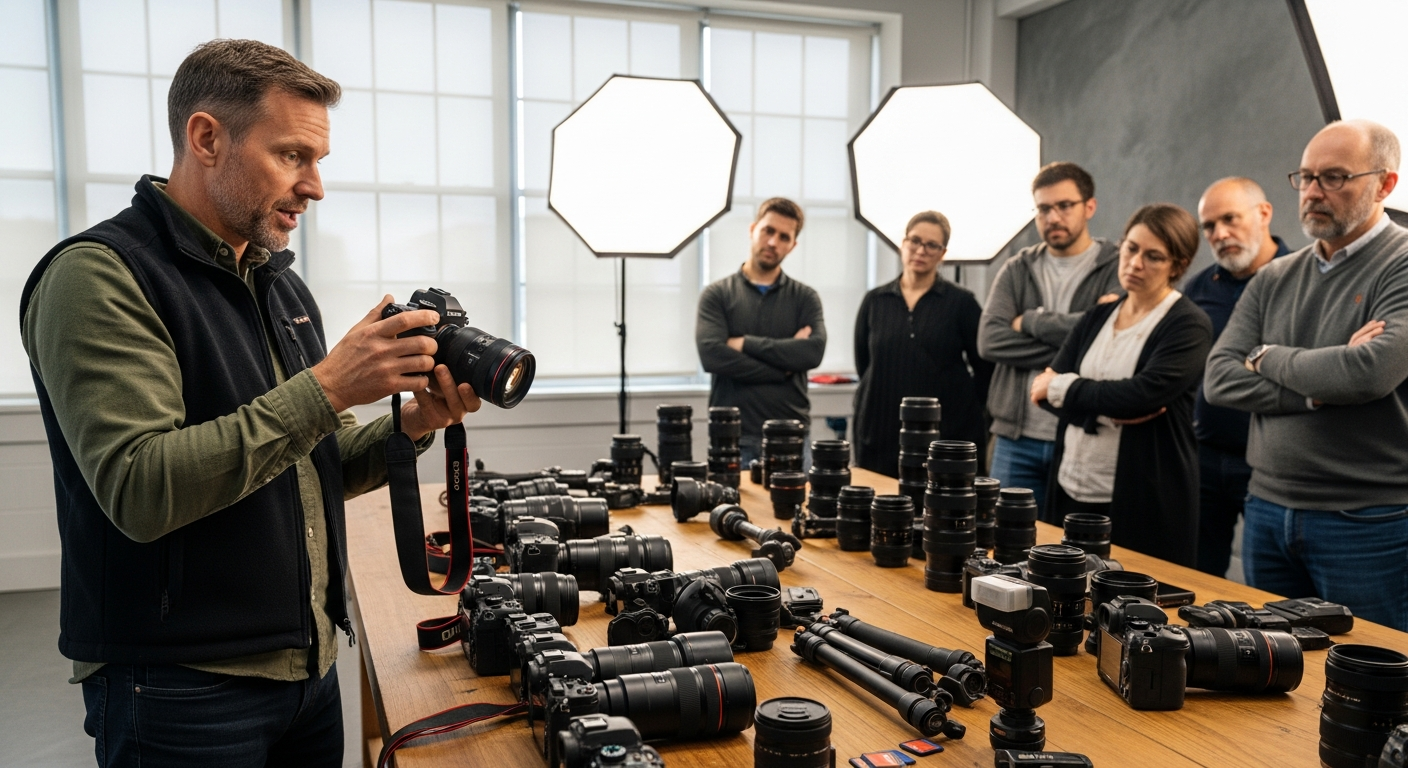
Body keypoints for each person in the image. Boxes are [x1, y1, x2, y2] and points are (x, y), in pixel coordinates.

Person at [19, 41, 479, 765]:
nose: (316, 186)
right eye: (292, 155)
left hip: (307, 668)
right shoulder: (98, 278)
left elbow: (308, 461)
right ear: (206, 138)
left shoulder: (280, 286)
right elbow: (141, 488)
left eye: (318, 160)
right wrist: (328, 387)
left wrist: (414, 423)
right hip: (179, 690)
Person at [1205, 119, 1408, 631]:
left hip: (1367, 521)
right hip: (1268, 510)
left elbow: (1368, 372)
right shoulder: (1275, 275)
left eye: (1334, 177)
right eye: (1306, 177)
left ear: (1385, 183)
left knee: (1373, 678)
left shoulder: (1401, 264)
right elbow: (1220, 378)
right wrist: (1317, 392)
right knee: (1272, 676)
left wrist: (1267, 354)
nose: (1313, 192)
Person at [1031, 203, 1213, 567]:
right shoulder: (1099, 313)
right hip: (1073, 483)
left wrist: (1068, 389)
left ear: (1177, 265)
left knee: (1132, 606)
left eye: (1153, 257)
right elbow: (1042, 391)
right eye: (1131, 248)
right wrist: (1106, 401)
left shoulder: (1188, 324)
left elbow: (1143, 395)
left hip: (1142, 496)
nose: (1135, 263)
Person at [978, 162, 1123, 516]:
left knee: (1074, 556)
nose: (1053, 217)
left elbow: (1111, 341)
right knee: (1006, 549)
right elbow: (989, 340)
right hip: (1016, 439)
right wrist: (1078, 337)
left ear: (1089, 207)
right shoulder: (1017, 268)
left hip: (1081, 437)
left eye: (1064, 206)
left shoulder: (1118, 264)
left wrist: (1030, 320)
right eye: (1043, 208)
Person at [1185, 178, 1290, 576]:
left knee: (1267, 583)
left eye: (1229, 219)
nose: (1219, 234)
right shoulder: (1199, 288)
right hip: (1205, 456)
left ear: (1263, 214)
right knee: (1196, 573)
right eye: (1209, 226)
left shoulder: (1296, 276)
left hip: (1267, 460)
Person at [852, 211, 993, 476]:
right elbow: (865, 365)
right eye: (914, 241)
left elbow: (985, 368)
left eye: (932, 245)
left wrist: (961, 410)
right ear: (902, 244)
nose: (921, 250)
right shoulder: (875, 301)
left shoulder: (961, 303)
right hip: (879, 430)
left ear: (943, 253)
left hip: (944, 435)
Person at [696, 198, 826, 466]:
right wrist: (783, 368)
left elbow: (811, 352)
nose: (773, 242)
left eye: (784, 237)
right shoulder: (717, 295)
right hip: (733, 438)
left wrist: (744, 343)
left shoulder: (805, 298)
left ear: (793, 245)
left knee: (795, 510)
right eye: (768, 231)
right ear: (753, 228)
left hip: (791, 435)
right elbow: (712, 355)